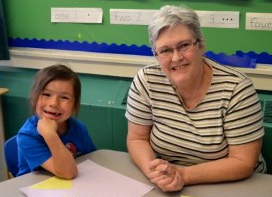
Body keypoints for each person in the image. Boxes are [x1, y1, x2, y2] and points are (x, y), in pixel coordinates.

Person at [125, 4, 267, 192]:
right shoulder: (147, 80)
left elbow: (243, 162)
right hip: (172, 183)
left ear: (201, 45)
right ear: (156, 55)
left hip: (236, 184)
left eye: (184, 45)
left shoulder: (237, 89)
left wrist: (182, 175)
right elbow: (137, 139)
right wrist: (155, 171)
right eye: (165, 50)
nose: (176, 58)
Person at [17, 64, 96, 179]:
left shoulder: (79, 128)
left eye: (64, 97)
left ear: (75, 106)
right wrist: (50, 135)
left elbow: (92, 160)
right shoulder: (28, 136)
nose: (54, 103)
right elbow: (68, 173)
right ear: (34, 98)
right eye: (46, 94)